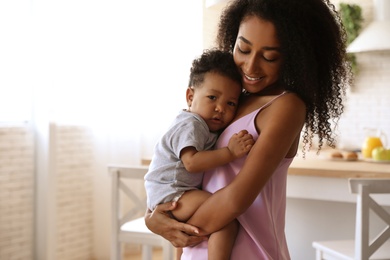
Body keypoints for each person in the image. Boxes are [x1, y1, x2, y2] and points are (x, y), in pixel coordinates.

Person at [145, 0, 352, 259]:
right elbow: (174, 172)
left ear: (295, 56)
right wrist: (152, 219)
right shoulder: (228, 101)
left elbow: (236, 199)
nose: (251, 67)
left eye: (269, 57)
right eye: (243, 49)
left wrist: (173, 226)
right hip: (197, 246)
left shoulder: (286, 106)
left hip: (248, 250)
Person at [144, 49, 255, 260]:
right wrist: (230, 153)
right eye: (212, 97)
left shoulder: (204, 125)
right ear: (190, 96)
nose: (220, 108)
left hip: (172, 192)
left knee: (186, 229)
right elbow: (191, 163)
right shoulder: (191, 124)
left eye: (230, 103)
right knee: (225, 223)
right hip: (173, 192)